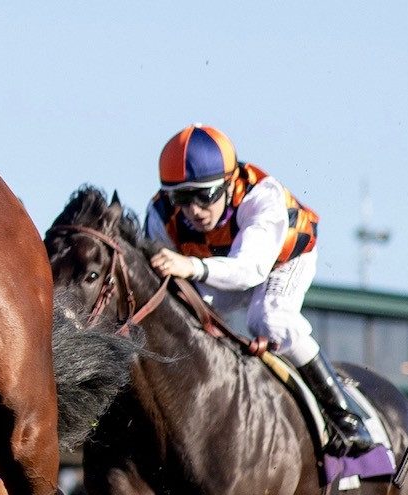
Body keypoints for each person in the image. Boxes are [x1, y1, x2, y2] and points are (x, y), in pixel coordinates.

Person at [145, 124, 373, 456]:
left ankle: (345, 415)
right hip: (219, 265)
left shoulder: (261, 197)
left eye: (204, 195)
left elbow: (248, 270)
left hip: (281, 259)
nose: (193, 209)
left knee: (269, 320)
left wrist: (191, 266)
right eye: (181, 197)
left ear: (229, 182)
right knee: (181, 312)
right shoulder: (160, 213)